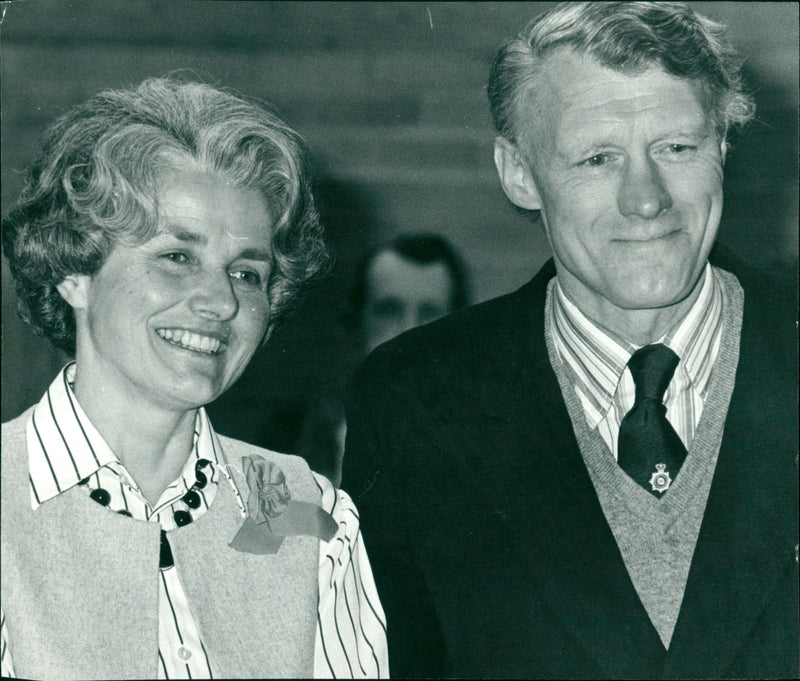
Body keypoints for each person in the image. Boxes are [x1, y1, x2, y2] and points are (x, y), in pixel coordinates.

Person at [343, 2, 798, 678]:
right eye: (596, 157)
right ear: (519, 173)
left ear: (722, 148)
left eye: (678, 147)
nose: (645, 198)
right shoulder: (412, 400)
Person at [0, 76, 387, 680]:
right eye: (178, 257)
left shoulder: (309, 515)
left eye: (247, 273)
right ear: (74, 269)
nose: (222, 302)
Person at [298, 232, 470, 485]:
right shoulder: (308, 433)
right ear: (357, 322)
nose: (408, 330)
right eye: (389, 311)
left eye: (429, 314)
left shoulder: (485, 436)